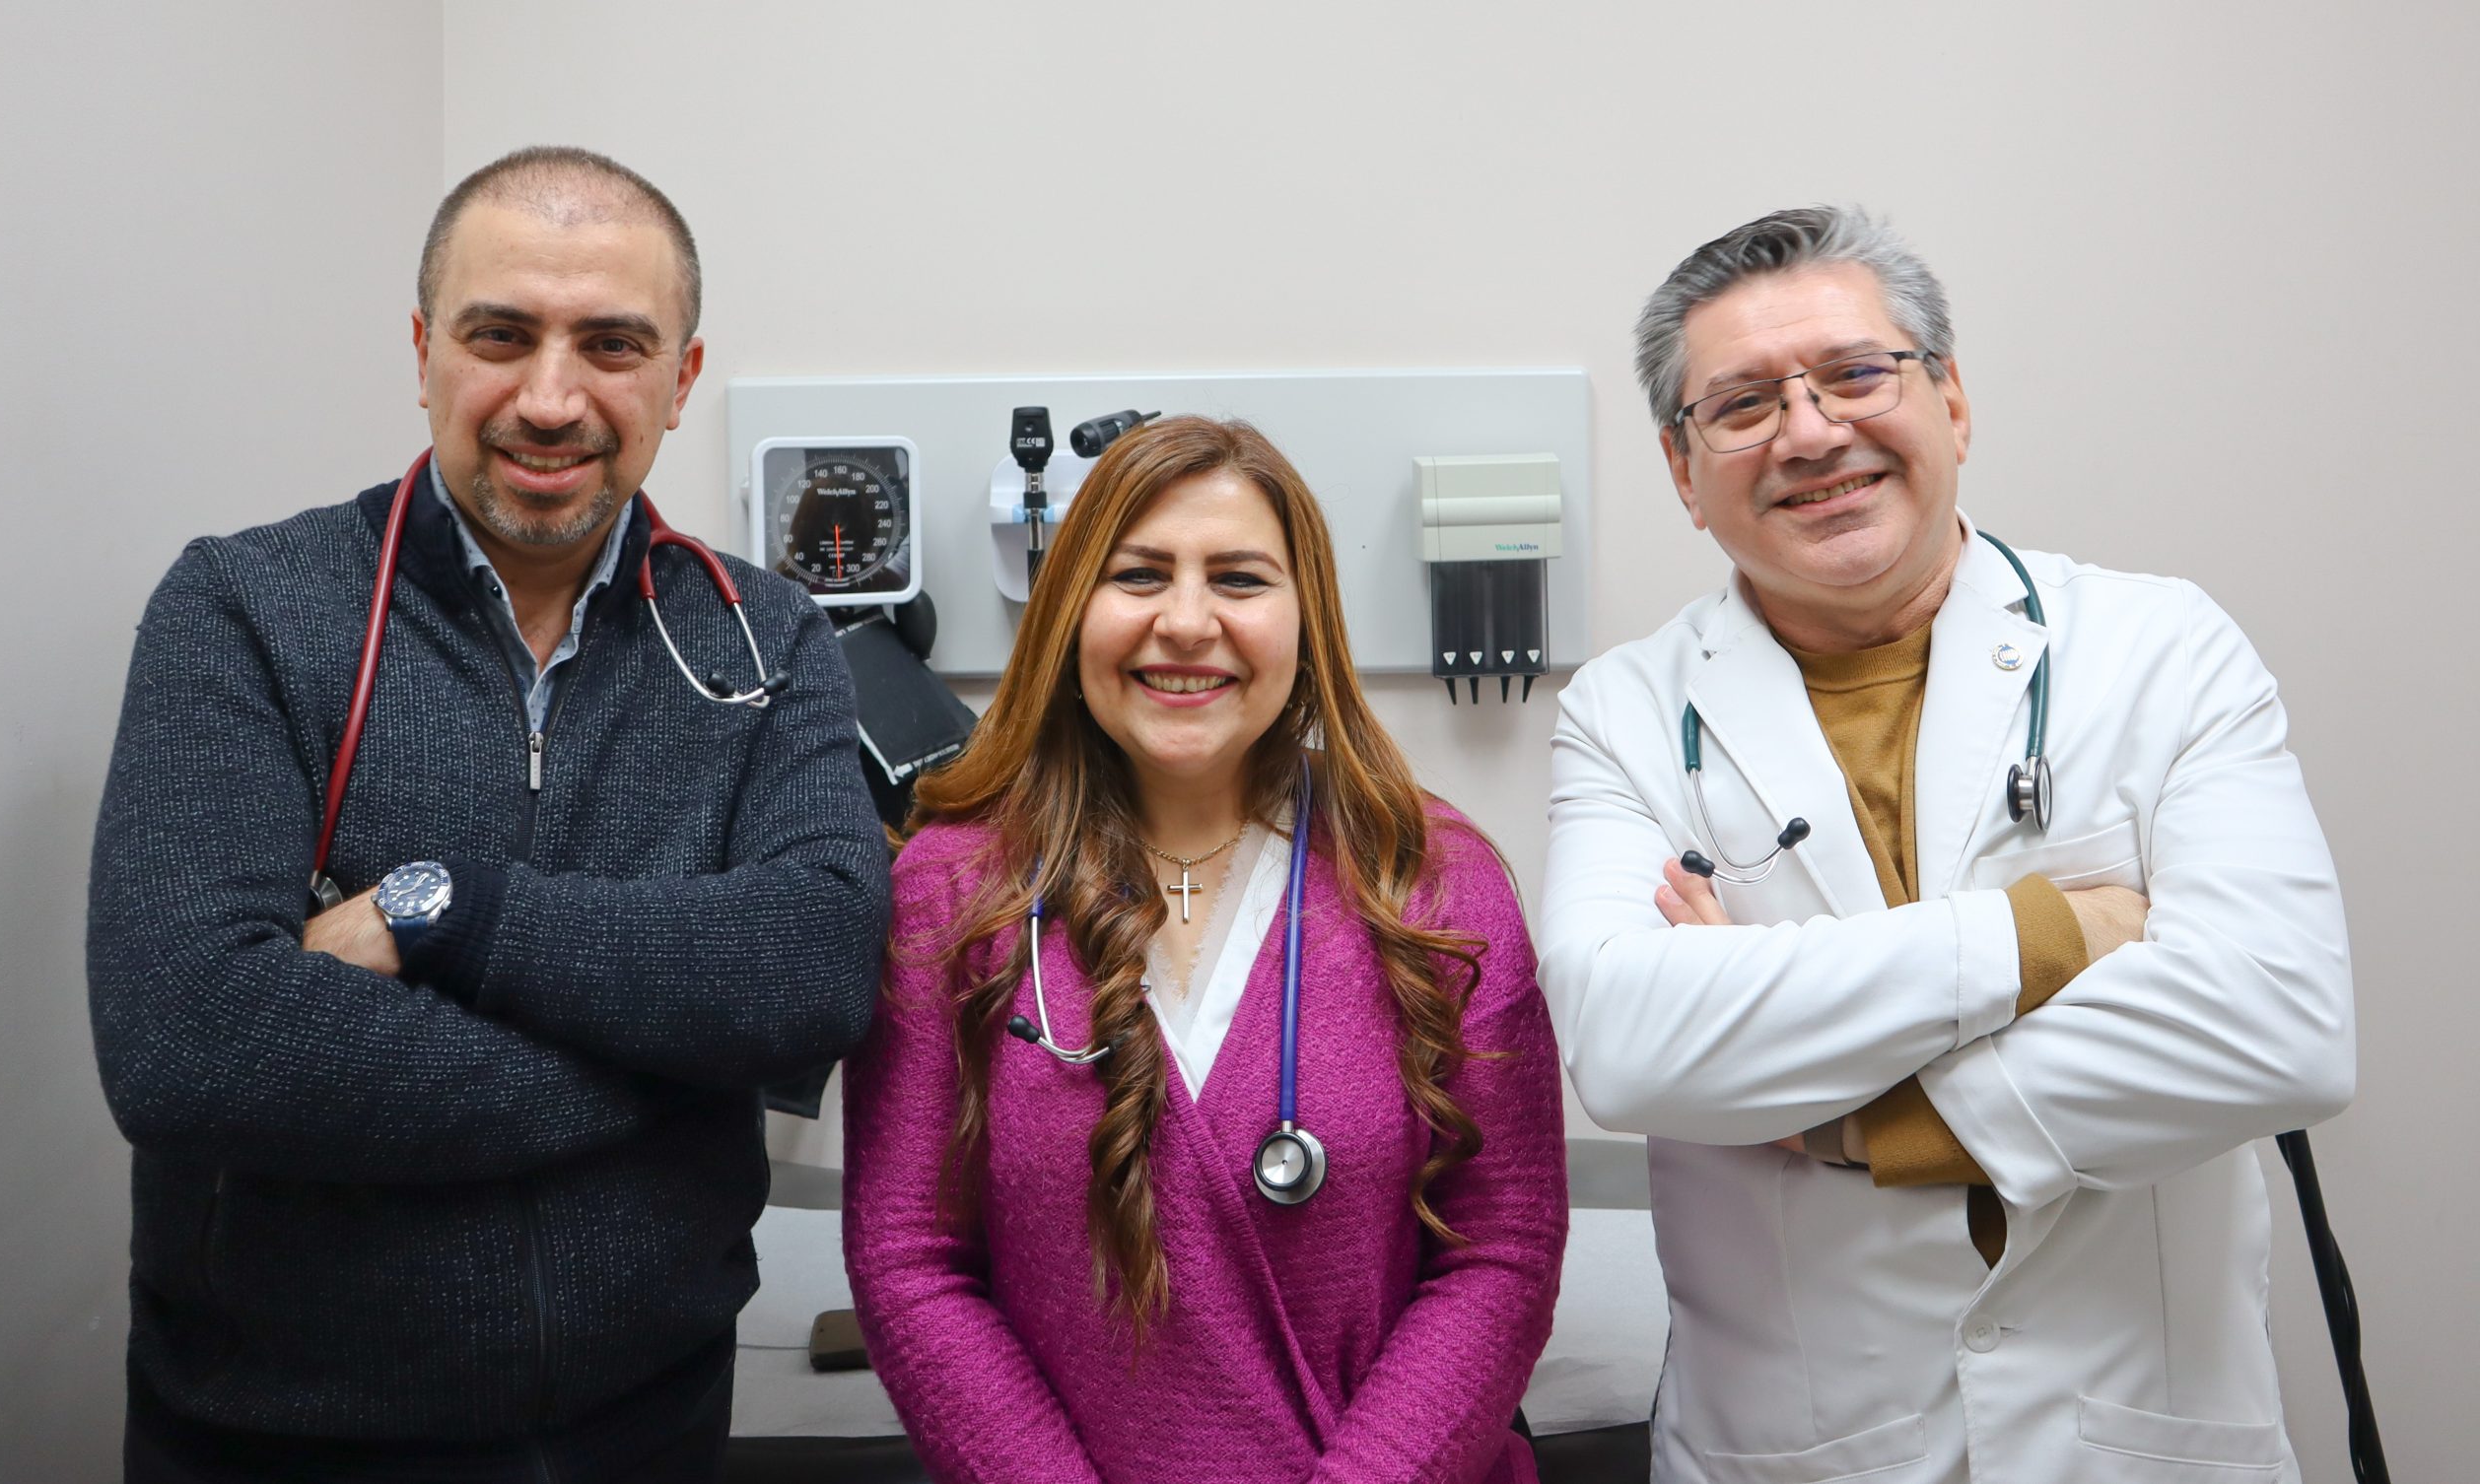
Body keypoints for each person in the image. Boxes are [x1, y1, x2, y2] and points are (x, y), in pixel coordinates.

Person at [86, 146, 889, 1482]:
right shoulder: (243, 611)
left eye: (614, 344)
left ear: (682, 379)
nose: (551, 396)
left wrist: (441, 909)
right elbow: (191, 1043)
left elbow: (813, 967)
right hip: (275, 1435)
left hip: (654, 1423)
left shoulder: (767, 639)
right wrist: (676, 1065)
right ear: (422, 352)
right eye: (500, 335)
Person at [1539, 206, 2353, 1483]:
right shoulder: (1629, 714)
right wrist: (2056, 931)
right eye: (1743, 404)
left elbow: (2278, 1025)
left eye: (1856, 374)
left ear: (1953, 401)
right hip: (1801, 1453)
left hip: (2139, 1440)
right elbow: (1631, 1046)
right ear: (1682, 471)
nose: (1811, 431)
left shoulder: (2161, 650)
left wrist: (1860, 1117)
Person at [842, 416, 1568, 1483]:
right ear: (1067, 612)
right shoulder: (953, 892)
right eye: (1138, 576)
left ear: (1307, 618)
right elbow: (911, 1260)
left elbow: (1501, 1249)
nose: (1186, 623)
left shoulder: (1431, 881)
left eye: (1238, 579)